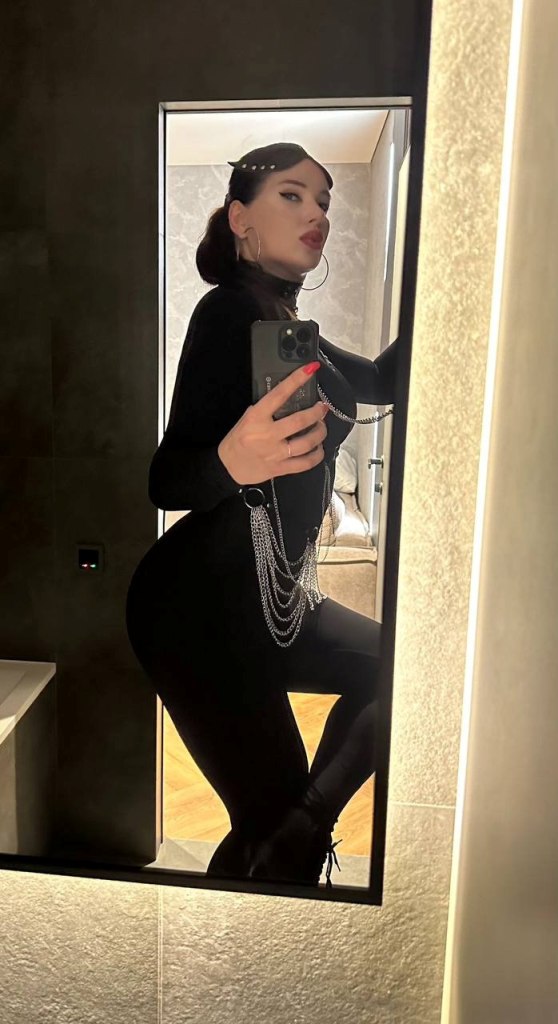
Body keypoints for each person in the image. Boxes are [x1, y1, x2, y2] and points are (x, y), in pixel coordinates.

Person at [126, 142, 399, 887]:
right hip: (198, 611)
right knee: (266, 814)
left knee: (397, 673)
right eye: (293, 195)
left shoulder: (285, 324)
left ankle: (299, 833)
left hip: (275, 597)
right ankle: (287, 854)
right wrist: (229, 463)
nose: (318, 213)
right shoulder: (229, 310)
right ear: (240, 220)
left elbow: (382, 379)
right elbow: (166, 479)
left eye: (324, 200)